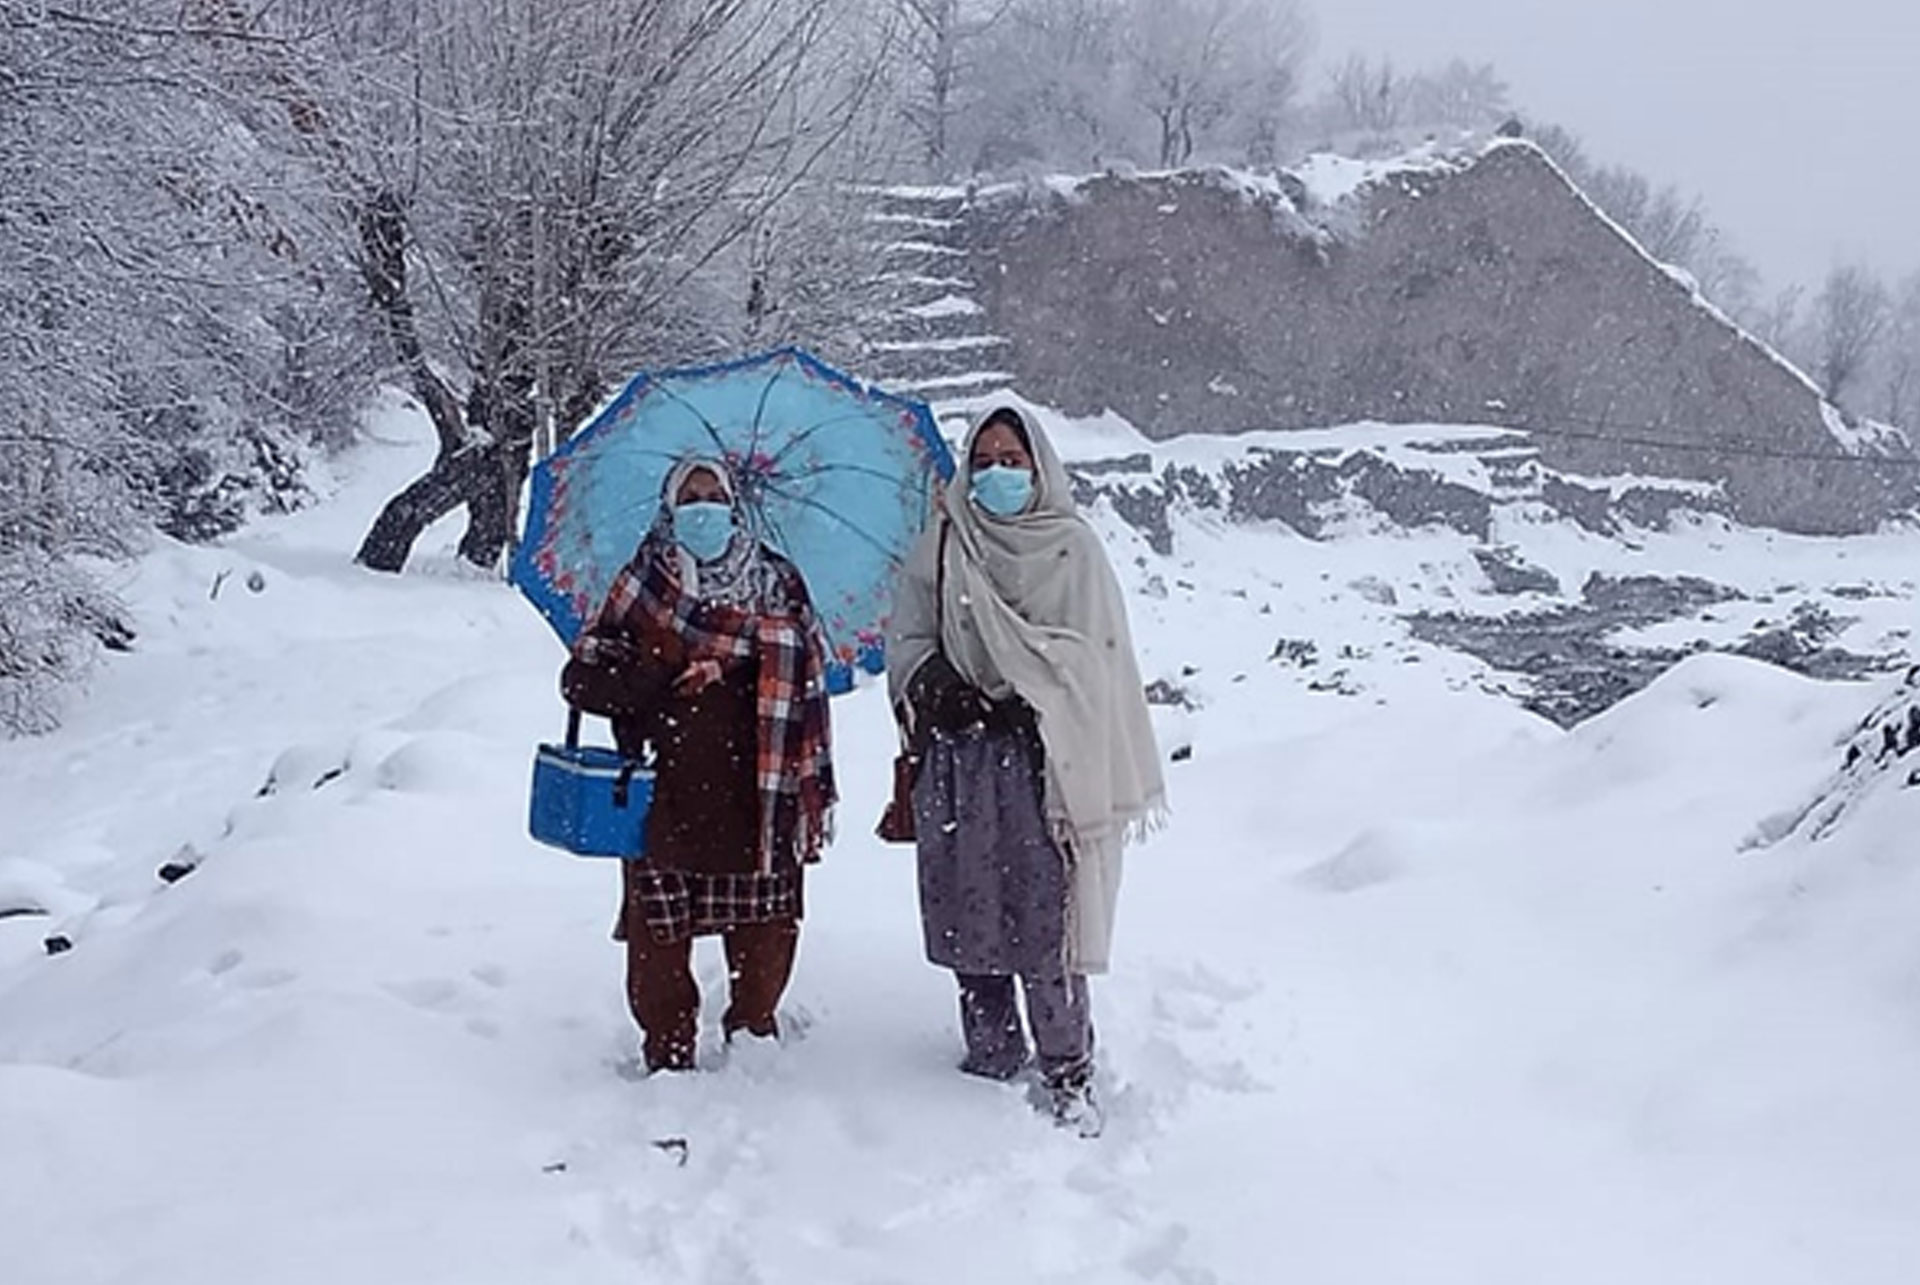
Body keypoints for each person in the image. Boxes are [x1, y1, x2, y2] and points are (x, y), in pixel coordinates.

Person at [887, 405, 1166, 1132]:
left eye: (1013, 459)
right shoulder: (945, 543)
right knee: (968, 908)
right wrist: (938, 685)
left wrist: (1034, 693)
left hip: (1048, 766)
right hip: (961, 764)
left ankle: (1067, 1069)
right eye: (985, 459)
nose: (998, 473)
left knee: (1049, 921)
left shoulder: (1072, 548)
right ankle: (989, 1064)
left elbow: (1096, 660)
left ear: (1039, 467)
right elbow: (910, 633)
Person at [561, 456, 835, 1074]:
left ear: (735, 505)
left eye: (715, 495)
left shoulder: (777, 579)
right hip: (667, 790)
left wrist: (730, 665)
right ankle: (667, 1047)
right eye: (691, 497)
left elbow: (808, 664)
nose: (704, 508)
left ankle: (754, 1034)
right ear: (669, 509)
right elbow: (582, 680)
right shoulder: (642, 584)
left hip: (760, 791)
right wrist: (655, 667)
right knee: (660, 931)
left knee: (766, 921)